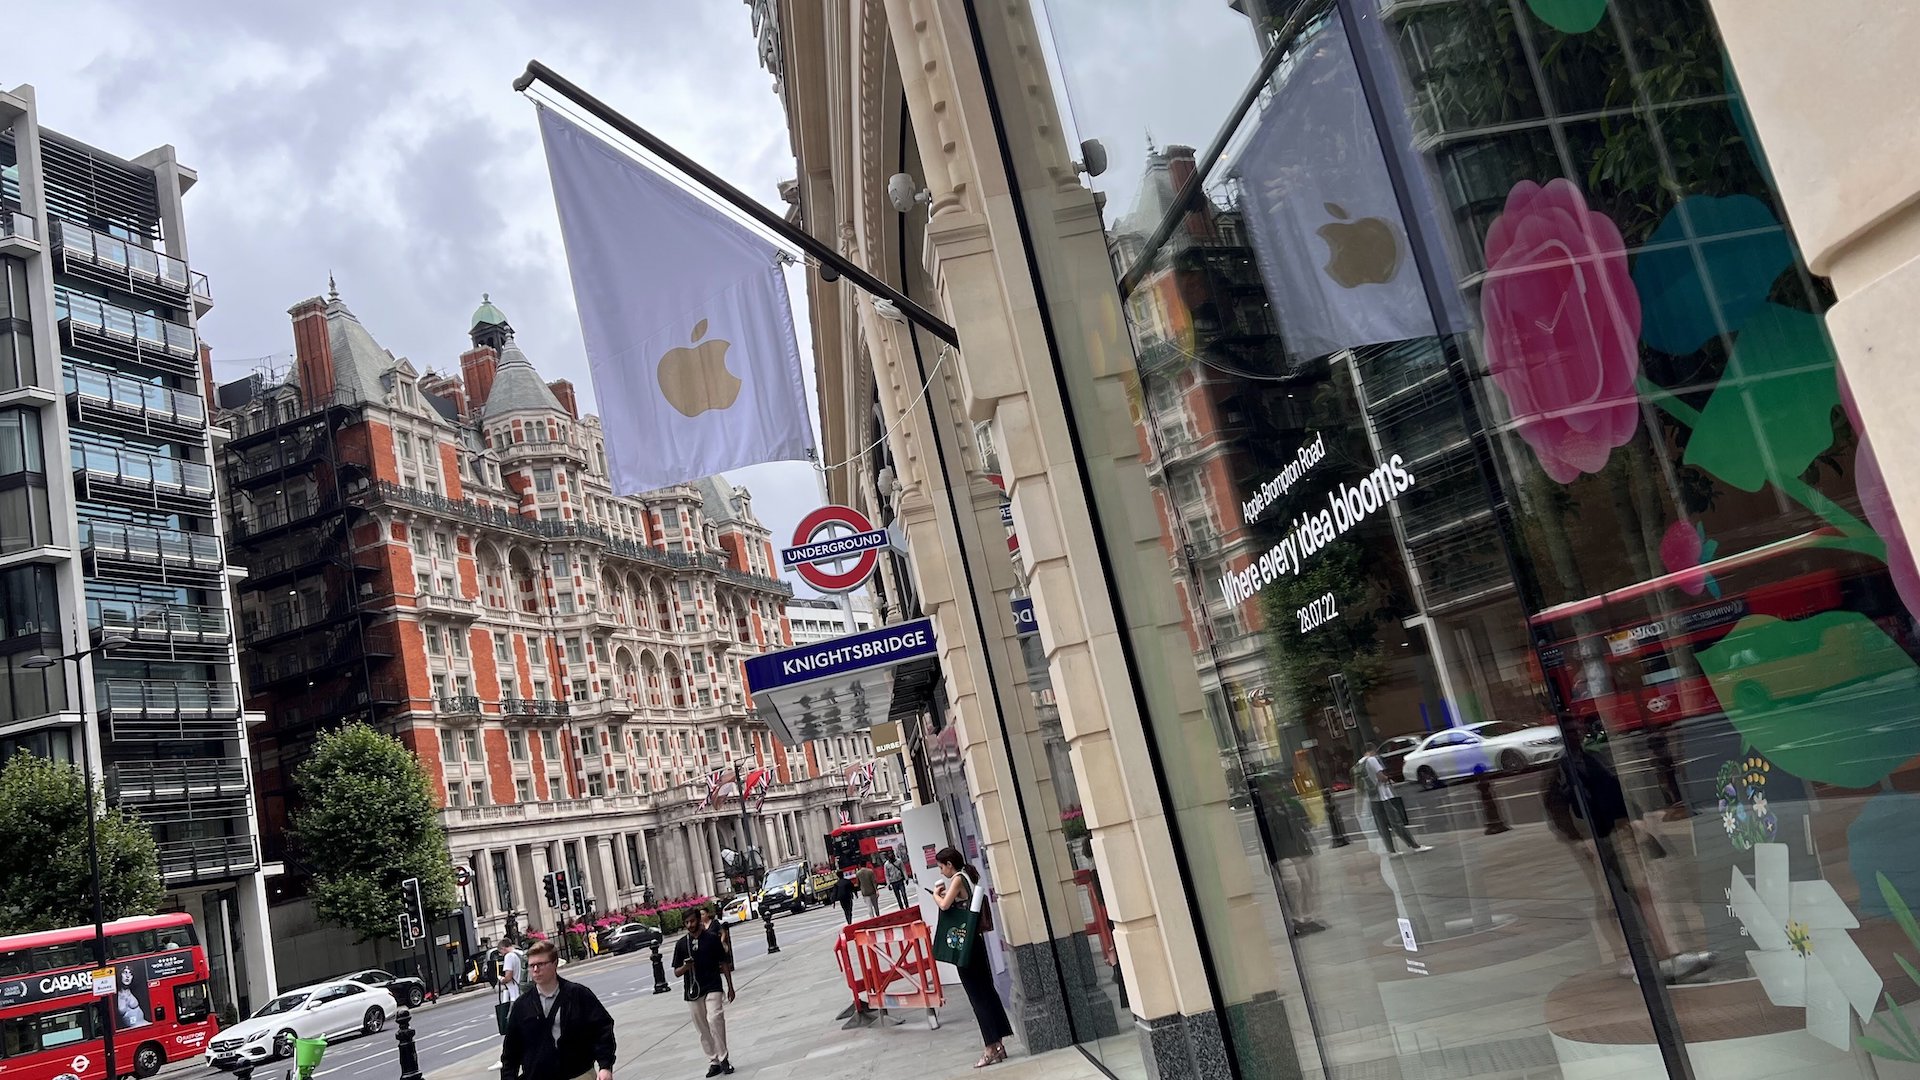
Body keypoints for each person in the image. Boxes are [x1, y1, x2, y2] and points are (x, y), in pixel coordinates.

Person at [932, 847, 1013, 1069]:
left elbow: (945, 905)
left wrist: (935, 895)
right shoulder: (969, 874)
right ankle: (998, 1043)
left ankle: (990, 1048)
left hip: (965, 946)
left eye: (941, 867)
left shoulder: (958, 878)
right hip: (976, 942)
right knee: (986, 990)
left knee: (977, 995)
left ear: (949, 864)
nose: (941, 872)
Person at [499, 941, 615, 1080]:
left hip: (578, 1074)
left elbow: (602, 1029)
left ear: (554, 964)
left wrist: (605, 1066)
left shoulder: (578, 994)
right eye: (531, 966)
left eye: (541, 964)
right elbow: (511, 1051)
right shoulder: (522, 1005)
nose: (535, 970)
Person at [672, 908, 737, 1077]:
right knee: (702, 1027)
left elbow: (723, 963)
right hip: (693, 990)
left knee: (714, 1018)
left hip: (713, 985)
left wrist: (730, 986)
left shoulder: (712, 939)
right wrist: (686, 967)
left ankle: (724, 1058)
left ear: (699, 921)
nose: (690, 925)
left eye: (692, 921)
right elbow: (676, 972)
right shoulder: (681, 944)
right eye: (686, 923)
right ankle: (713, 1061)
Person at [1358, 742, 1430, 854]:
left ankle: (1391, 850)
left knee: (1382, 826)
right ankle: (1415, 845)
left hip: (1372, 798)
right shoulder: (1372, 760)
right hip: (1383, 796)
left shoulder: (1360, 762)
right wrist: (1387, 778)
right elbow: (1381, 777)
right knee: (1396, 822)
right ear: (1373, 750)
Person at [493, 937, 522, 1038]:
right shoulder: (520, 953)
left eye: (500, 952)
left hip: (516, 995)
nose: (501, 954)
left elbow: (508, 977)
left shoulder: (509, 956)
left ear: (504, 948)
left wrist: (501, 979)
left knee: (511, 1023)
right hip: (524, 991)